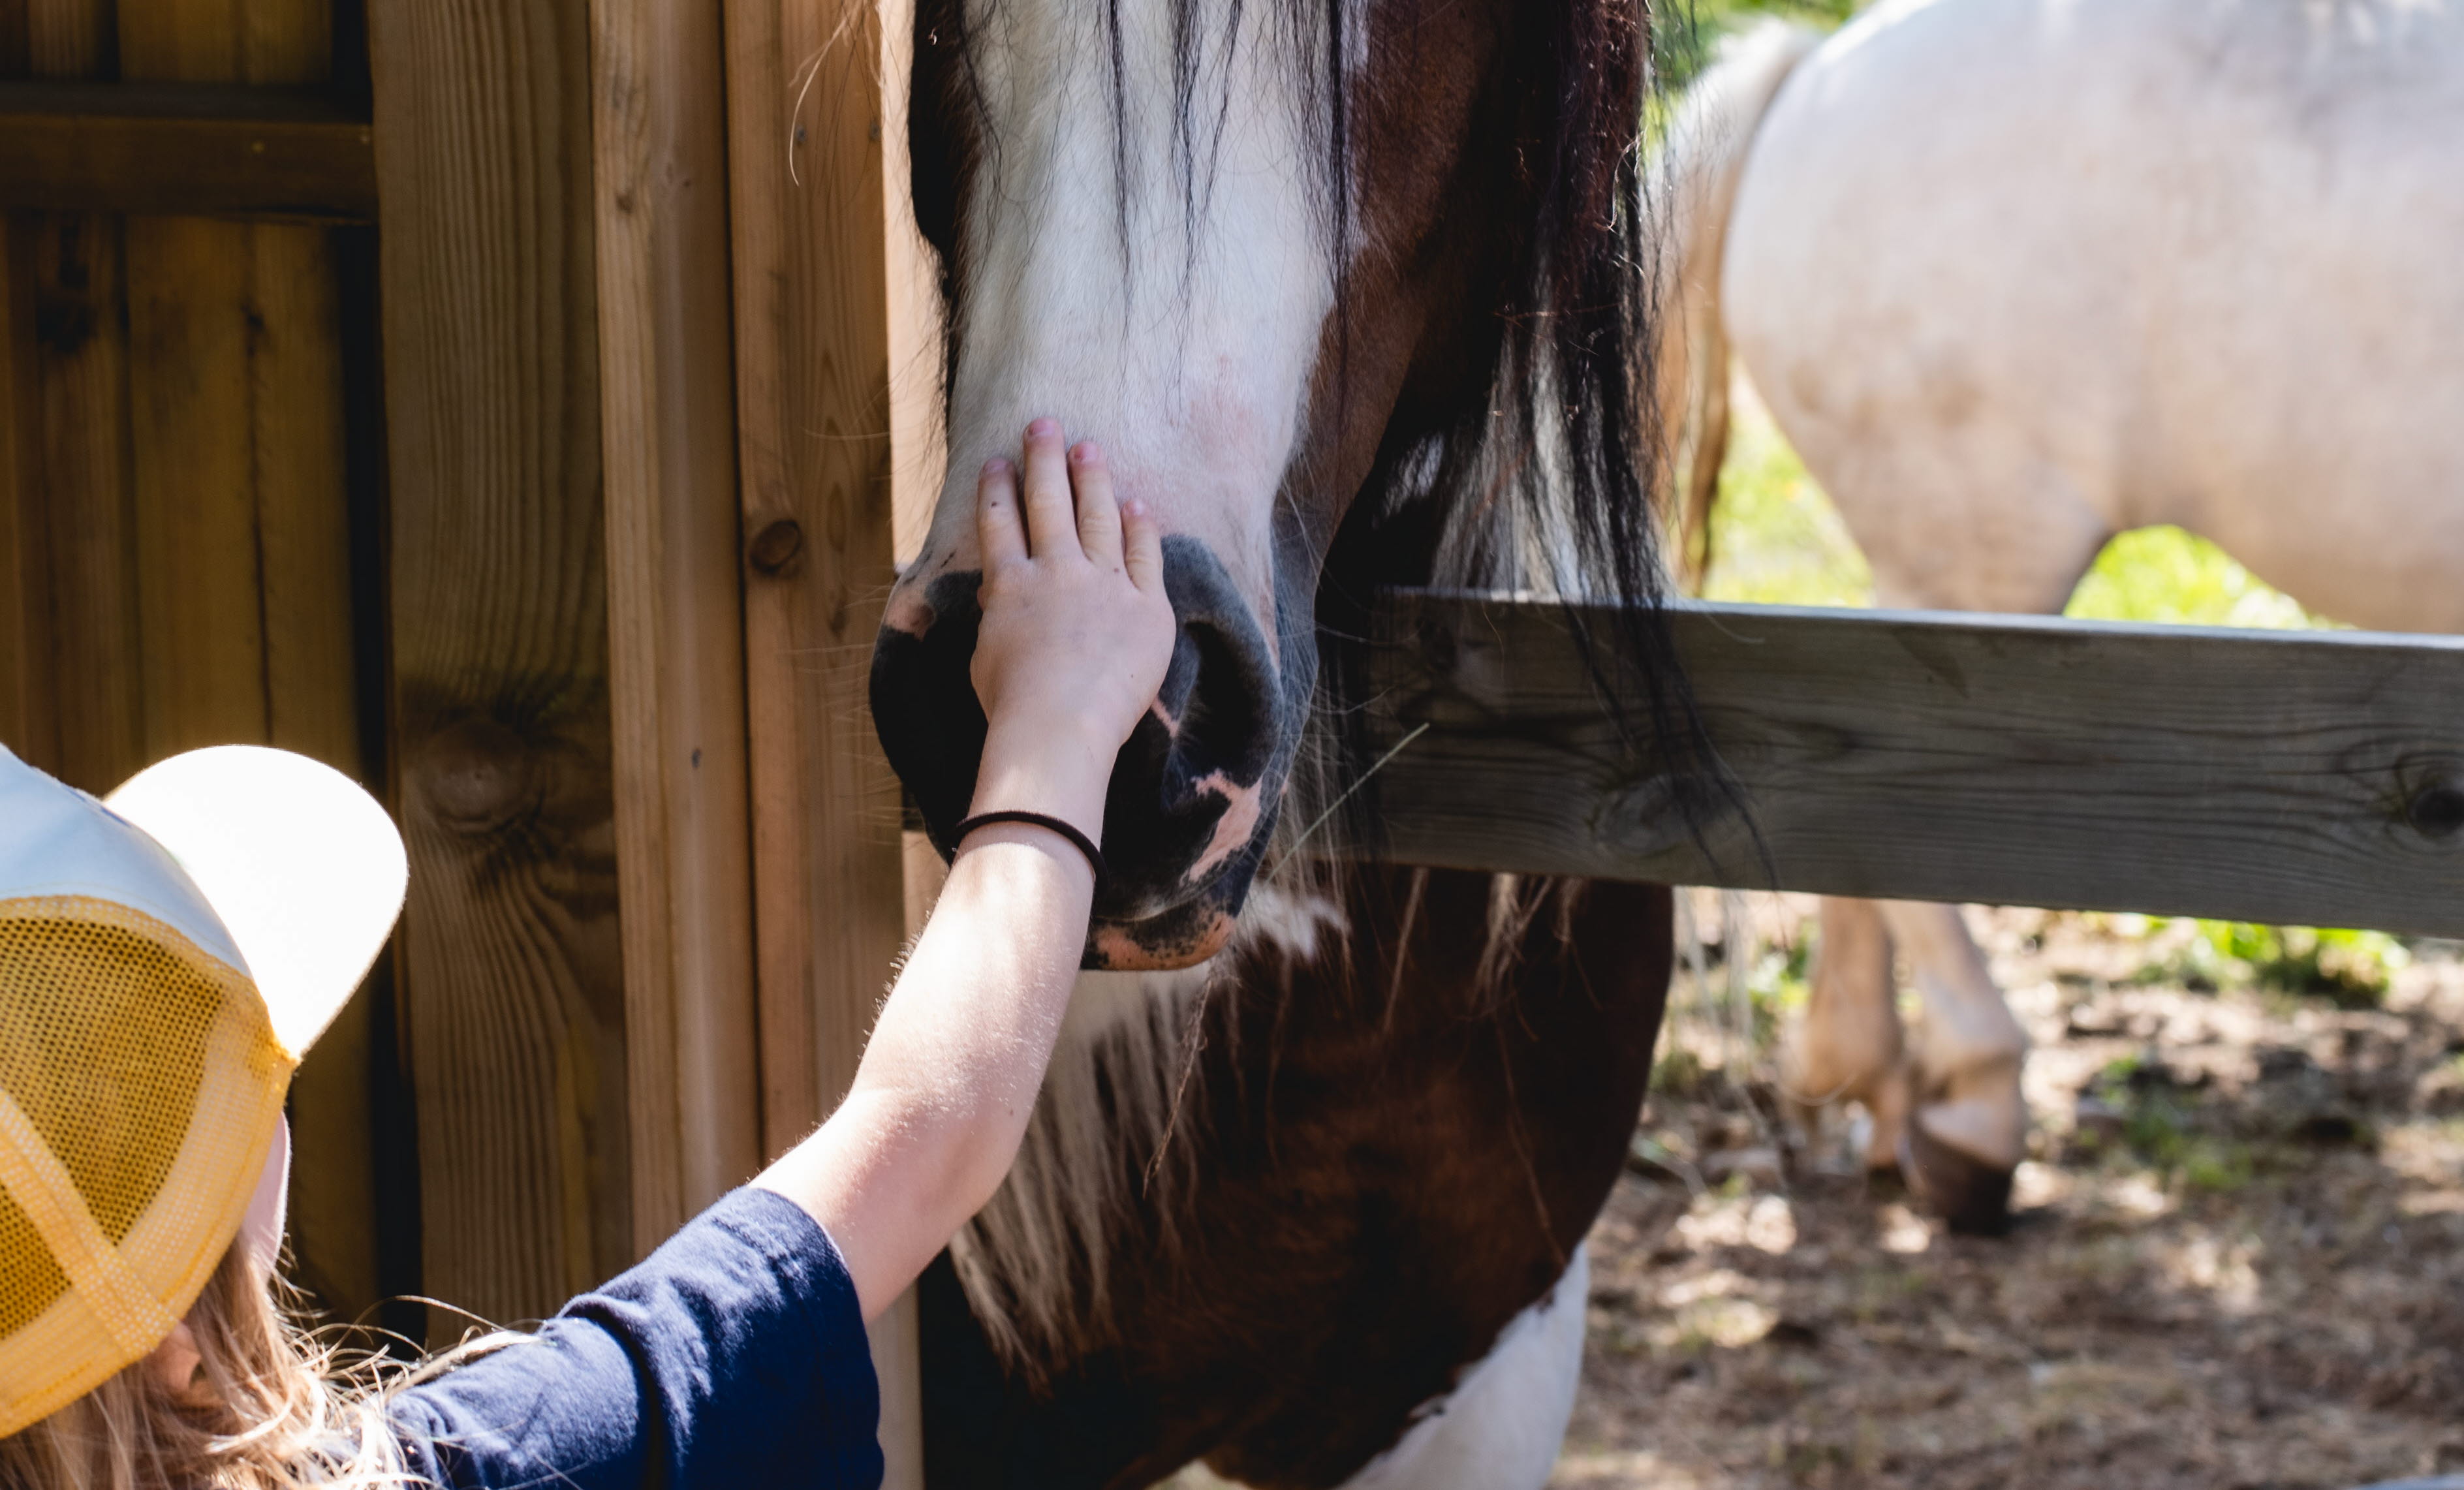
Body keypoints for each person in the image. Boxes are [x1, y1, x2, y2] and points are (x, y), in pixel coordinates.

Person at [0, 420, 1176, 1490]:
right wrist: (1059, 717)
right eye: (228, 1092)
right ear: (174, 1337)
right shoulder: (488, 1467)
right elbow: (921, 1139)